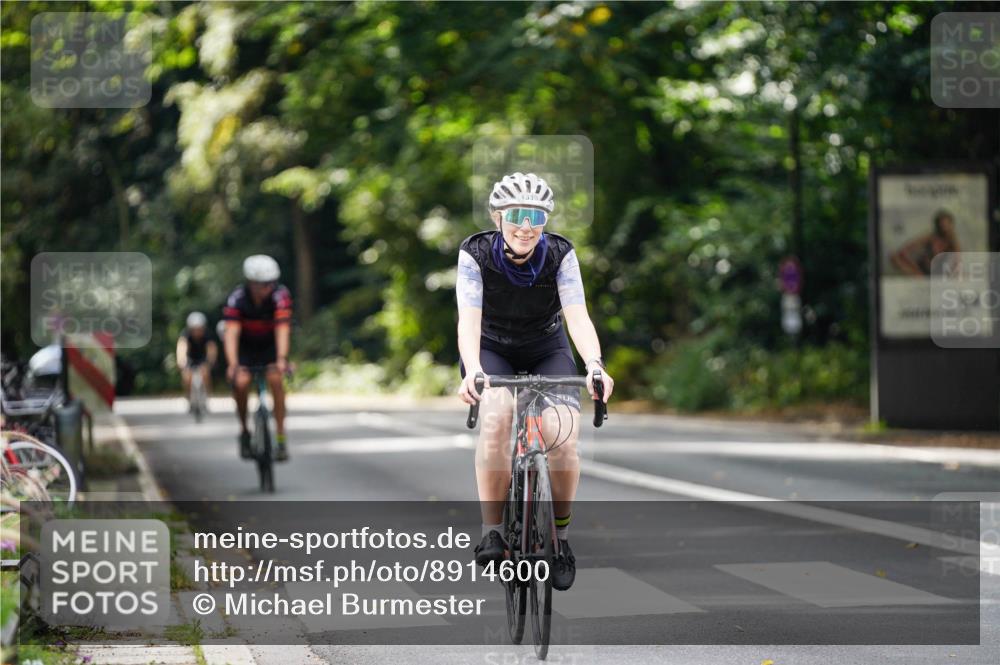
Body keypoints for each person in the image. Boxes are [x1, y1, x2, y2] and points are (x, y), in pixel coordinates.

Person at [455, 172, 614, 591]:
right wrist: (472, 367)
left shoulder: (561, 254)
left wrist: (595, 364)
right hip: (491, 348)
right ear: (498, 217)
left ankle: (560, 539)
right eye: (517, 215)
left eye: (537, 216)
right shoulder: (476, 253)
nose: (527, 225)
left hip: (547, 346)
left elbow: (577, 315)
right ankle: (492, 531)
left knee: (562, 435)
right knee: (498, 415)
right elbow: (468, 320)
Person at [222, 255, 293, 462]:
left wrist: (281, 358)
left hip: (270, 345)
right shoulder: (237, 299)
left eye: (272, 283)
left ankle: (280, 437)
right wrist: (233, 364)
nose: (268, 288)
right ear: (251, 283)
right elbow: (231, 334)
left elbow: (282, 330)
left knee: (276, 380)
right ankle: (245, 430)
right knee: (241, 382)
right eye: (263, 284)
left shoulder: (280, 296)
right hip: (245, 346)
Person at [890, 209, 960, 276]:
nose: (944, 227)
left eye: (946, 224)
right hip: (923, 271)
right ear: (937, 225)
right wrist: (914, 266)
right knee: (894, 257)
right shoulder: (931, 237)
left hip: (938, 274)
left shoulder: (953, 241)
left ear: (951, 225)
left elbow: (956, 263)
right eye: (941, 224)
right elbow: (906, 249)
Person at [176, 312, 217, 409]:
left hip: (203, 358)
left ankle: (206, 397)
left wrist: (210, 361)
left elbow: (212, 349)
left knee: (205, 374)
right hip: (190, 359)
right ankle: (189, 398)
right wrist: (181, 360)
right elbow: (182, 347)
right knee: (186, 377)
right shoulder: (186, 334)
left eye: (199, 329)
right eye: (194, 329)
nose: (197, 331)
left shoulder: (207, 335)